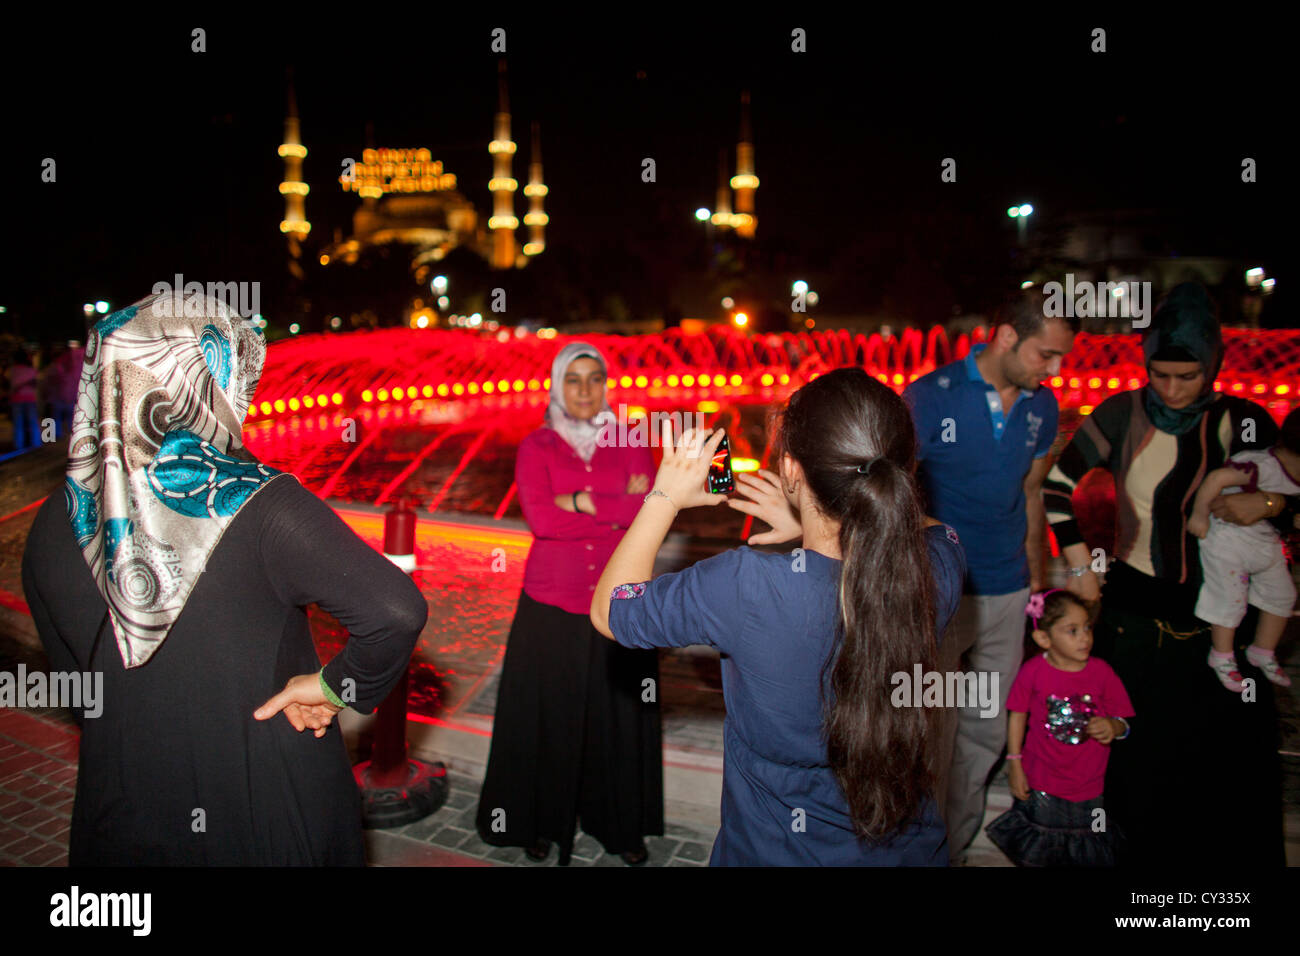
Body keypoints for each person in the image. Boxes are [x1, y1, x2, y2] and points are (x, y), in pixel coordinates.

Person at [21, 292, 427, 865]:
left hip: (123, 807)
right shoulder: (258, 502)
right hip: (263, 808)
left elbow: (77, 683)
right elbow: (395, 611)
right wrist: (337, 688)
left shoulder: (52, 522)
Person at [591, 368, 967, 865]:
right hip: (906, 849)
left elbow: (613, 610)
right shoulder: (938, 571)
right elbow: (928, 530)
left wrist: (663, 496)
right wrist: (814, 525)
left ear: (791, 470)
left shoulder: (747, 584)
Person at [1042, 282, 1298, 867]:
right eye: (1161, 375)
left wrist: (1270, 506)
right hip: (1137, 620)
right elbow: (1057, 489)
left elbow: (1293, 493)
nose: (1175, 390)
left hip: (1225, 623)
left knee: (1227, 772)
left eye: (1189, 376)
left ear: (1214, 365)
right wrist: (1080, 565)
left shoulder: (1244, 420)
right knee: (1137, 766)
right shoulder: (1118, 414)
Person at [902, 290, 1078, 862]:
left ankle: (952, 844)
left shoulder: (1041, 406)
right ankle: (913, 841)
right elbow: (894, 492)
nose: (1053, 370)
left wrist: (1037, 576)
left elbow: (1030, 491)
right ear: (1006, 337)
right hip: (942, 589)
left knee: (984, 725)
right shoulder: (930, 398)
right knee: (930, 722)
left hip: (1007, 588)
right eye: (1045, 355)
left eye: (1059, 359)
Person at [474, 342, 663, 866]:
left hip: (618, 602)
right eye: (573, 379)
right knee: (546, 717)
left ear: (607, 383)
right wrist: (612, 507)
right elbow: (542, 521)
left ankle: (619, 826)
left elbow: (645, 512)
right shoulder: (536, 446)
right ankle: (537, 819)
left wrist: (578, 499)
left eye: (594, 378)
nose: (585, 390)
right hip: (550, 603)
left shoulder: (630, 438)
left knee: (616, 717)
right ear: (558, 386)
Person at [984, 589, 1134, 866]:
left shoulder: (1102, 673)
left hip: (1089, 786)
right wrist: (1014, 763)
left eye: (1087, 628)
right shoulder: (1032, 672)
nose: (1085, 638)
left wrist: (1113, 726)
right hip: (1041, 781)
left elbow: (1125, 723)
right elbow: (1017, 714)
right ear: (1044, 638)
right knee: (1042, 851)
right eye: (1072, 631)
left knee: (1084, 849)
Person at [1187, 406, 1300, 690]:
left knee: (1283, 595)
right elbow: (1217, 479)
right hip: (1228, 536)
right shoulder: (1263, 466)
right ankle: (1222, 655)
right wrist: (1199, 514)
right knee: (1230, 598)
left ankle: (1262, 650)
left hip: (1263, 539)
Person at [7, 349, 39, 450]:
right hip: (30, 398)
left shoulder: (11, 370)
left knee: (18, 423)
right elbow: (35, 384)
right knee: (33, 422)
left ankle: (18, 445)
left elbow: (8, 382)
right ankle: (36, 443)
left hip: (16, 399)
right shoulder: (31, 370)